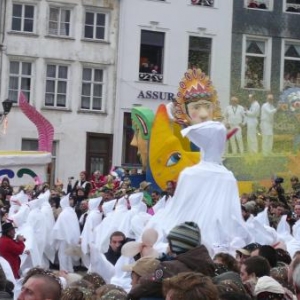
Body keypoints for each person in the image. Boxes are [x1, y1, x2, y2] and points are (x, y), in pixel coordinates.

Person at [146, 68, 244, 250]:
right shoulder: (219, 174)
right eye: (196, 107)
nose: (204, 113)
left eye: (207, 106)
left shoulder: (198, 173)